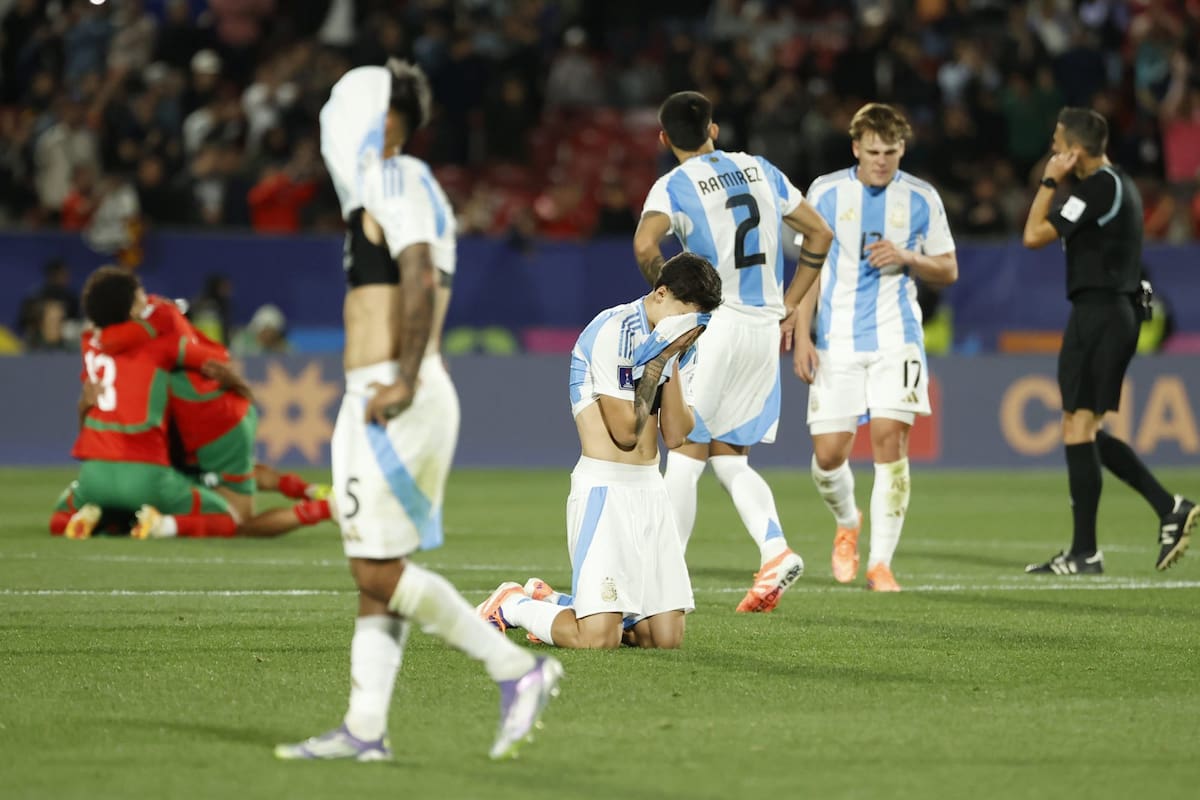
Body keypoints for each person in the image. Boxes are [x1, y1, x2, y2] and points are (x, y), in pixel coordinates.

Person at [275, 60, 560, 764]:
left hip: (394, 392)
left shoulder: (395, 175)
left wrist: (403, 378)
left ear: (383, 117)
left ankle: (517, 669)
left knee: (377, 573)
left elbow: (421, 267)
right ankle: (364, 729)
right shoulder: (384, 183)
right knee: (373, 568)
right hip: (374, 390)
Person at [632, 90, 833, 613]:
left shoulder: (673, 185)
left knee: (683, 449)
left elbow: (644, 245)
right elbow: (819, 232)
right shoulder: (759, 168)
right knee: (728, 455)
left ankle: (665, 586)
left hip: (716, 324)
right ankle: (774, 550)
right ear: (714, 130)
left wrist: (675, 301)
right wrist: (790, 303)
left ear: (663, 138)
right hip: (763, 326)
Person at [476, 253, 722, 649]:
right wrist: (657, 360)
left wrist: (671, 358)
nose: (690, 329)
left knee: (664, 639)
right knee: (596, 641)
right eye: (684, 316)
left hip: (651, 492)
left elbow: (677, 436)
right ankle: (514, 604)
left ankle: (556, 601)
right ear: (660, 294)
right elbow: (625, 432)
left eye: (697, 321)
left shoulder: (684, 344)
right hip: (604, 491)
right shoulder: (616, 331)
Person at [790, 103, 959, 592]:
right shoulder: (826, 191)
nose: (882, 161)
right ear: (855, 149)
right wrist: (803, 335)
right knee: (828, 454)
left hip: (897, 337)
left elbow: (948, 268)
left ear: (902, 148)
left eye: (890, 151)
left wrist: (908, 256)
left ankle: (880, 564)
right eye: (872, 152)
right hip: (836, 340)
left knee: (890, 441)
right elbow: (811, 266)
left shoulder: (922, 198)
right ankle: (848, 523)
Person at [1021, 107, 1196, 575]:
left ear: (1075, 150)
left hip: (1103, 312)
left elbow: (1033, 234)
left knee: (1079, 427)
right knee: (1082, 428)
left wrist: (1048, 182)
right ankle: (1165, 508)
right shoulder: (1109, 187)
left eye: (1058, 144)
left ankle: (1087, 552)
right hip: (1101, 312)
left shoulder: (1099, 187)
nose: (1053, 151)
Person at [91, 294, 333, 539]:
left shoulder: (149, 348)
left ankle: (331, 508)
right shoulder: (187, 342)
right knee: (228, 477)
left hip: (214, 429)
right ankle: (314, 491)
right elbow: (221, 365)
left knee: (238, 522)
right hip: (220, 421)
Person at [49, 267, 242, 541]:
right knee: (226, 519)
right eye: (139, 294)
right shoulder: (161, 345)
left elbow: (111, 335)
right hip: (146, 472)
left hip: (94, 473)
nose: (146, 298)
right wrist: (169, 321)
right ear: (130, 309)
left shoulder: (88, 344)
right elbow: (218, 359)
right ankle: (163, 526)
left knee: (59, 518)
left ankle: (96, 518)